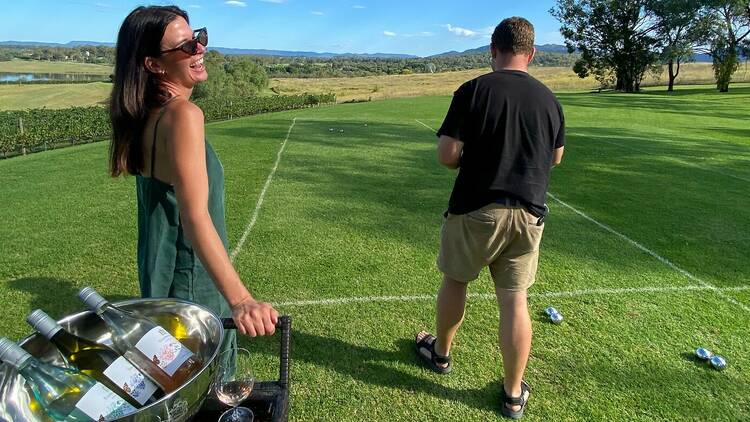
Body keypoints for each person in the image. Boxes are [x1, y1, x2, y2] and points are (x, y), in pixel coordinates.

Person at [108, 5, 279, 378]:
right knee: (208, 386)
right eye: (185, 47)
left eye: (198, 38)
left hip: (161, 278)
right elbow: (194, 215)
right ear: (154, 64)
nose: (199, 50)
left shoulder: (146, 115)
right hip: (191, 280)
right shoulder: (183, 116)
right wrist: (242, 300)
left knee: (176, 380)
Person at [414, 17, 565, 419]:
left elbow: (447, 156)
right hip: (528, 213)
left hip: (475, 209)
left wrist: (475, 159)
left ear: (492, 50)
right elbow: (555, 157)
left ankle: (441, 354)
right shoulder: (550, 98)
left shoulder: (474, 89)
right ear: (532, 54)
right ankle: (513, 393)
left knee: (456, 280)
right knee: (515, 301)